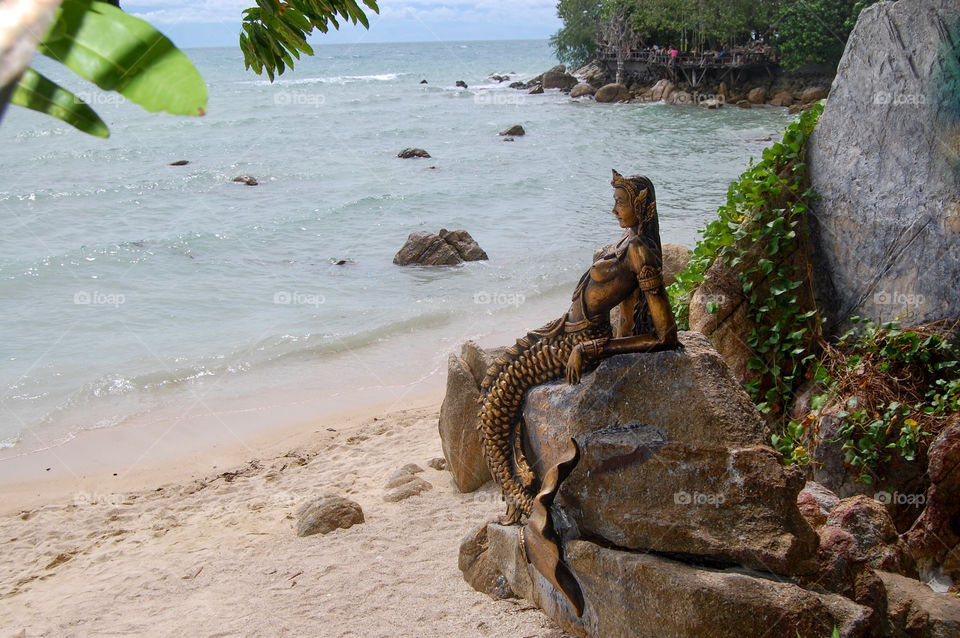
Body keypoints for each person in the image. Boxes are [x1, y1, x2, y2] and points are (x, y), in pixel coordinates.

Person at [476, 170, 679, 614]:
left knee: (498, 399)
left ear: (641, 205)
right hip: (563, 334)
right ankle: (520, 495)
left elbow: (666, 335)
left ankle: (527, 506)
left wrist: (597, 347)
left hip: (574, 345)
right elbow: (624, 312)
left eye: (620, 201)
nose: (613, 209)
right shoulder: (626, 245)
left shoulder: (641, 252)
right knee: (493, 397)